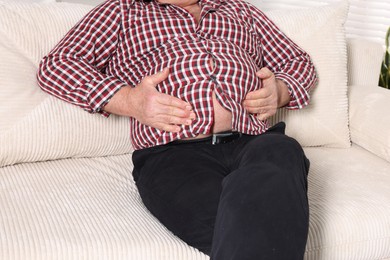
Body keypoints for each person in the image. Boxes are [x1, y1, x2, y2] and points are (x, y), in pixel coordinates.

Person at [37, 0, 317, 259]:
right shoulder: (122, 11)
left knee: (281, 151)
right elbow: (57, 66)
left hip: (255, 142)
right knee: (260, 222)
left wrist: (281, 90)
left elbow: (298, 61)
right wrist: (128, 100)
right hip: (173, 156)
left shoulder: (239, 9)